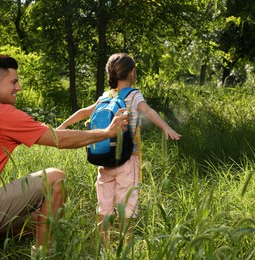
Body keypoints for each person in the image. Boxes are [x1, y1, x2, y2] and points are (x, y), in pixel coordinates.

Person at [0, 54, 130, 258]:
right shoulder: (2, 114)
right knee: (56, 179)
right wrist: (107, 133)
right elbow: (60, 140)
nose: (19, 87)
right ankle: (43, 255)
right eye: (13, 82)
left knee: (41, 220)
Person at [57, 53, 181, 247]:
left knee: (104, 203)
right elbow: (147, 111)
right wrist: (166, 127)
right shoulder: (133, 95)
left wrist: (61, 128)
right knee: (127, 205)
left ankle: (103, 246)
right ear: (132, 72)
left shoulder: (106, 96)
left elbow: (83, 112)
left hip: (104, 159)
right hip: (128, 160)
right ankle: (125, 244)